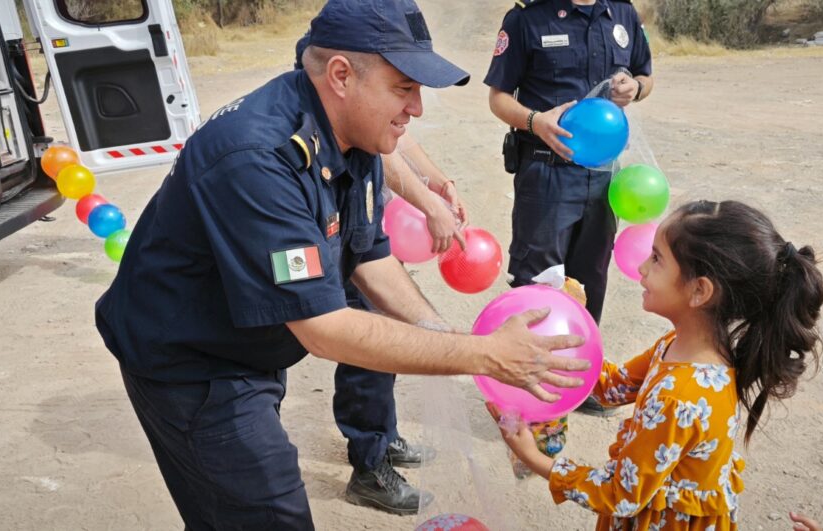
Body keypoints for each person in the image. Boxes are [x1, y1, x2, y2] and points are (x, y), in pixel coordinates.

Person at [94, 1, 590, 528]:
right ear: (340, 76)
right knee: (269, 512)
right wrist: (481, 355)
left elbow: (369, 257)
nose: (416, 109)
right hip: (190, 363)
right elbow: (325, 329)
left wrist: (448, 336)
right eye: (404, 88)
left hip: (245, 339)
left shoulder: (355, 137)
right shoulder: (258, 158)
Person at [489, 200, 823, 530]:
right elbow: (612, 386)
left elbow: (621, 495)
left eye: (657, 259)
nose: (641, 268)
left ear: (699, 291)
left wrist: (534, 457)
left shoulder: (679, 396)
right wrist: (566, 333)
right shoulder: (682, 346)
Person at [295, 30, 473, 514]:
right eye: (404, 89)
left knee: (391, 326)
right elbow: (379, 149)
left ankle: (384, 436)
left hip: (364, 227)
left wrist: (439, 182)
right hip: (340, 228)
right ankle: (370, 467)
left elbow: (399, 139)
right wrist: (428, 204)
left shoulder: (378, 47)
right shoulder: (343, 52)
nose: (414, 105)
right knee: (369, 345)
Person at [484, 0, 654, 416]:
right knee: (538, 281)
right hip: (546, 173)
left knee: (590, 279)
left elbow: (645, 76)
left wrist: (635, 87)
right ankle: (528, 391)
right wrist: (534, 122)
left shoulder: (622, 15)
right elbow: (498, 97)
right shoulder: (527, 18)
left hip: (603, 176)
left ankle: (578, 380)